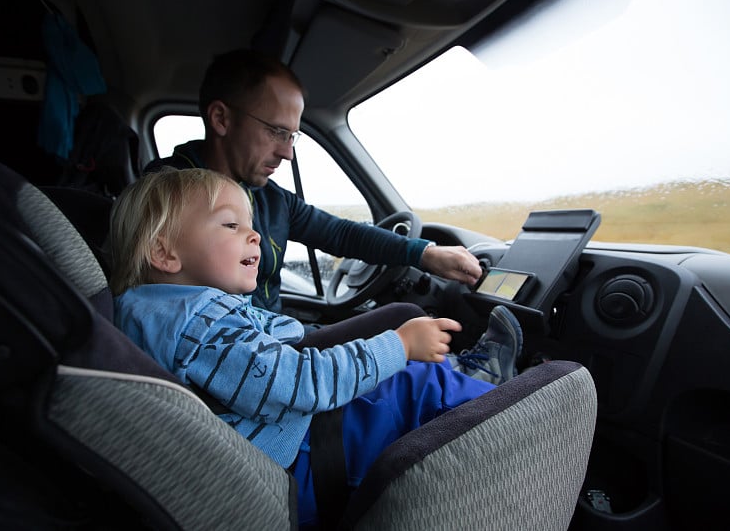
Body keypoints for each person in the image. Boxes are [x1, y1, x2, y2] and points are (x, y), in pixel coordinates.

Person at [109, 168, 522, 528]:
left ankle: (465, 379)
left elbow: (267, 350)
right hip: (297, 462)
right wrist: (398, 344)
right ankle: (510, 408)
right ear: (164, 252)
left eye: (249, 224)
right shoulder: (201, 322)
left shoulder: (156, 312)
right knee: (415, 382)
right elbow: (299, 383)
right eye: (230, 226)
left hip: (273, 448)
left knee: (399, 371)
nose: (254, 234)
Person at [144, 48, 483, 314]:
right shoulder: (165, 195)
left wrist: (424, 254)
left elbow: (340, 233)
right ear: (220, 118)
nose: (287, 154)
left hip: (275, 340)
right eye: (277, 132)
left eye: (292, 137)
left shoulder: (271, 198)